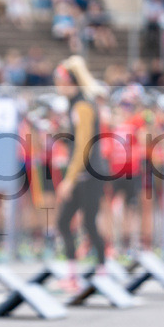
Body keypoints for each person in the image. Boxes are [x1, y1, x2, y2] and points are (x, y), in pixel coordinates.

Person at [54, 55, 108, 269]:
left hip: (88, 174)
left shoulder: (82, 106)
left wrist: (69, 179)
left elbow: (83, 147)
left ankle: (102, 268)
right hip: (84, 173)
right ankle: (73, 272)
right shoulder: (77, 104)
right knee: (65, 222)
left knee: (87, 223)